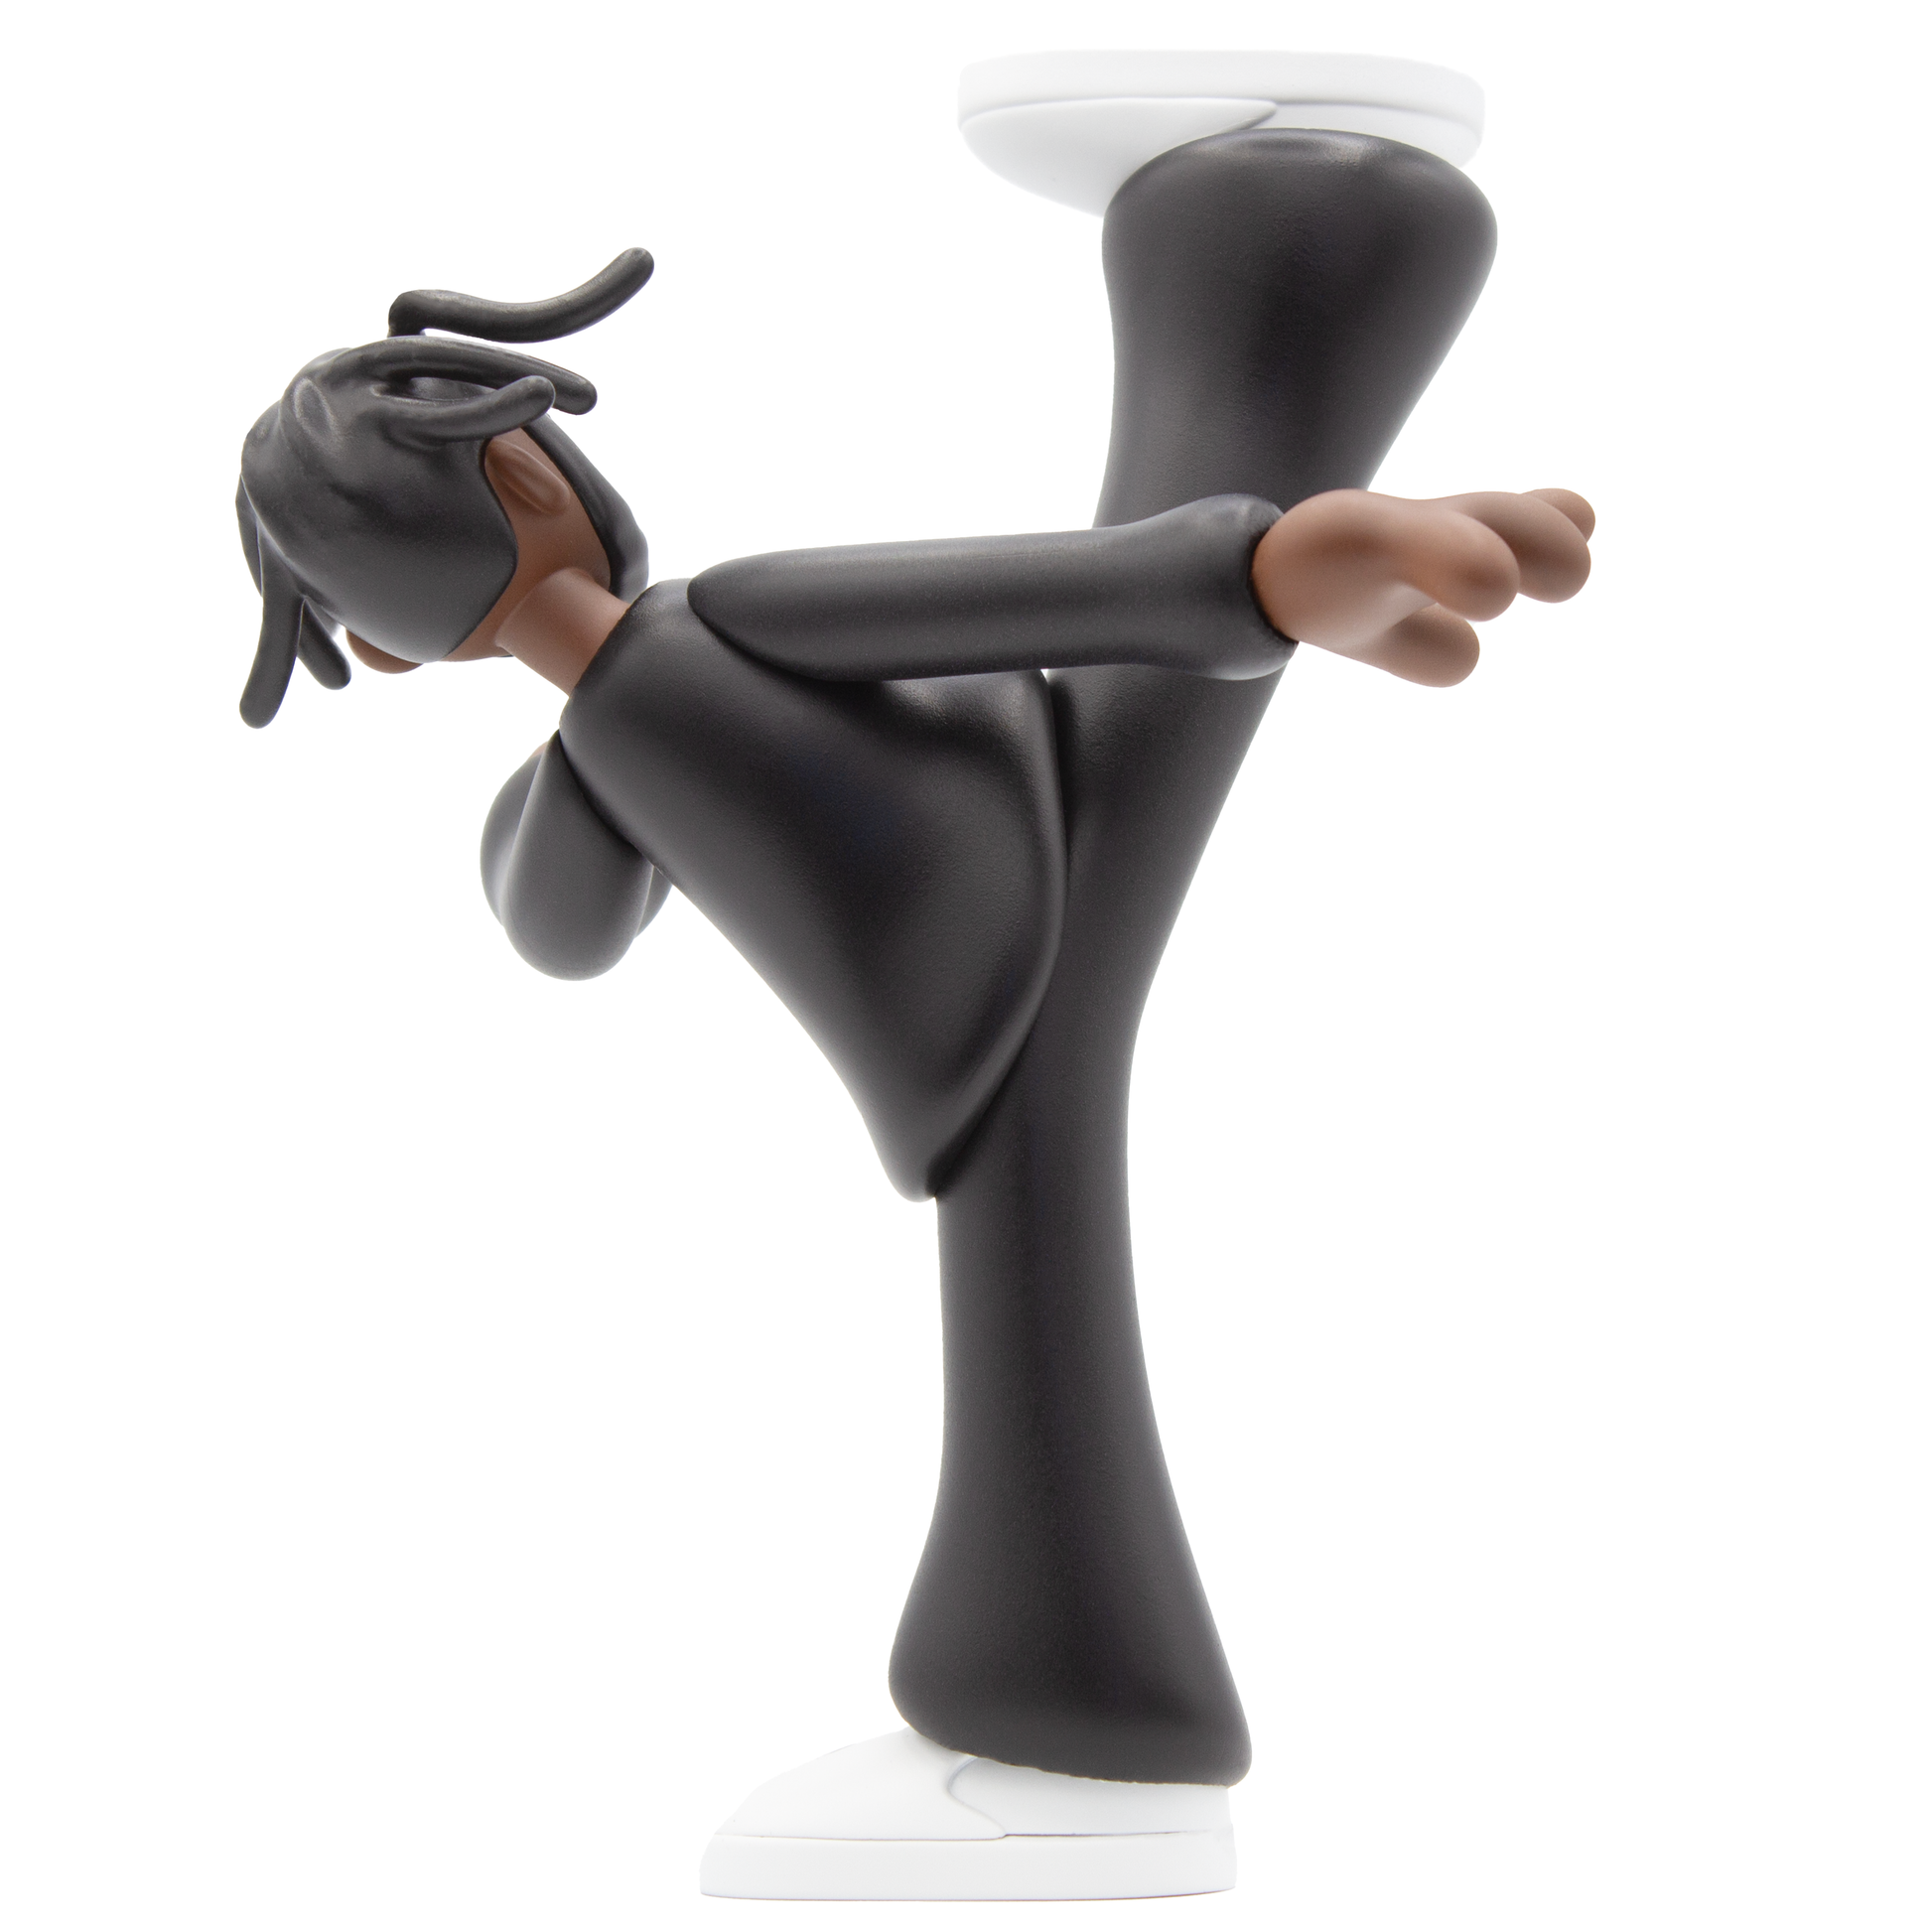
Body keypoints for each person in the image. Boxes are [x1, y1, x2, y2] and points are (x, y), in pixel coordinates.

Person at [237, 128, 1592, 1893]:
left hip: (981, 964)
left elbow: (566, 914)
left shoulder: (647, 704)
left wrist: (1262, 576)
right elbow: (568, 905)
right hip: (994, 955)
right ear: (534, 462)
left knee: (1036, 1263)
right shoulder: (671, 673)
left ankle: (1077, 1688)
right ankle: (1077, 1687)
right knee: (1041, 1259)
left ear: (381, 644)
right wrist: (1264, 575)